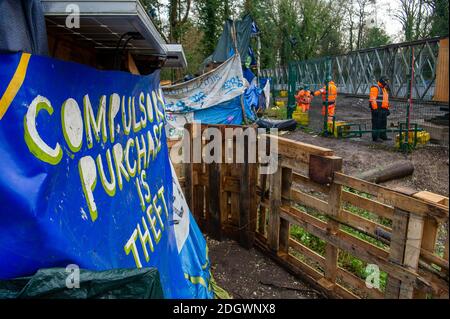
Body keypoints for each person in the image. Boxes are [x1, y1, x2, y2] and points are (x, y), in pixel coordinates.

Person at [369, 76, 391, 142]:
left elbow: (386, 100)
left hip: (383, 109)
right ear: (383, 81)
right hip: (377, 109)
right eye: (386, 81)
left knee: (383, 123)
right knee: (376, 123)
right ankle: (375, 137)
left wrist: (387, 109)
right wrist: (375, 109)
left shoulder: (384, 89)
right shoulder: (375, 88)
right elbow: (373, 99)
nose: (387, 83)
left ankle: (383, 136)